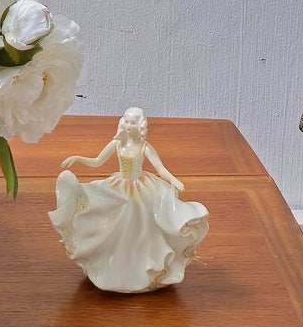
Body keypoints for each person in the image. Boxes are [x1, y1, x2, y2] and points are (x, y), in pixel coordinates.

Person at [49, 107, 209, 292]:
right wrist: (78, 158)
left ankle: (140, 268)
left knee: (140, 228)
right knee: (110, 221)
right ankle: (110, 265)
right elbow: (97, 161)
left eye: (132, 122)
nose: (128, 125)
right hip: (119, 187)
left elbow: (160, 169)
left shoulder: (144, 147)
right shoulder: (117, 144)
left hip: (140, 190)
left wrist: (174, 180)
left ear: (140, 125)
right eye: (126, 121)